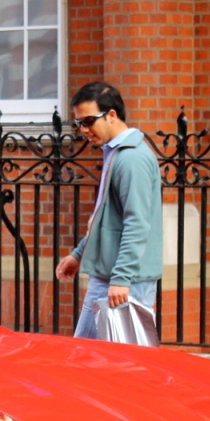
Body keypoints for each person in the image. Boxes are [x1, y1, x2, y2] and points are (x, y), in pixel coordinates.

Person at [54, 82, 163, 340]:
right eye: (79, 123)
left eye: (89, 120)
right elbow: (106, 218)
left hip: (123, 281)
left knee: (109, 364)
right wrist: (79, 253)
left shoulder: (130, 159)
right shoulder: (117, 153)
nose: (84, 130)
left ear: (112, 115)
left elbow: (136, 223)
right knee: (97, 361)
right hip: (114, 277)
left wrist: (122, 278)